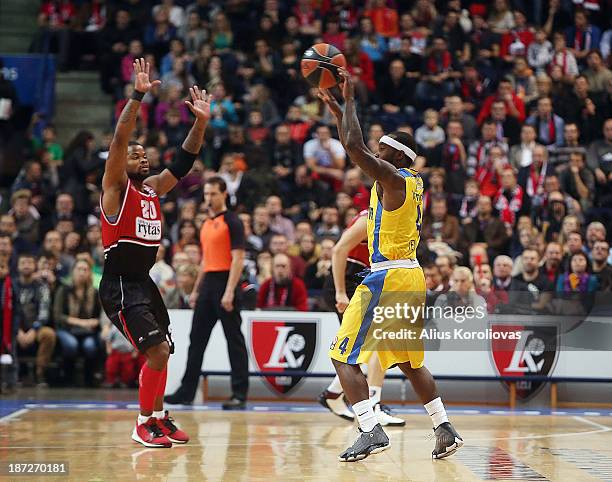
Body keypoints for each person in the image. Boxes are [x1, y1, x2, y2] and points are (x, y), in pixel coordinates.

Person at [318, 69, 462, 462]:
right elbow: (355, 144)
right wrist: (337, 113)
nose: (375, 152)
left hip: (388, 275)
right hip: (411, 274)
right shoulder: (412, 182)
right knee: (410, 362)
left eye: (382, 148)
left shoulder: (393, 178)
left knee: (341, 355)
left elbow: (352, 146)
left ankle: (369, 428)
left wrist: (348, 102)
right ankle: (444, 427)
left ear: (398, 155)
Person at [99, 59, 209, 447]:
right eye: (135, 155)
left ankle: (159, 418)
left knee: (165, 349)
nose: (142, 157)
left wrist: (200, 123)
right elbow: (120, 136)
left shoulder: (151, 189)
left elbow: (182, 162)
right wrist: (138, 95)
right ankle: (143, 422)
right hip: (120, 284)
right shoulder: (117, 189)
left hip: (142, 282)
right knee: (158, 351)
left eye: (144, 154)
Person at [165, 177, 249, 410]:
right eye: (206, 194)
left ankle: (239, 393)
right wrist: (197, 290)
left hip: (225, 282)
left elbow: (238, 258)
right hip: (209, 283)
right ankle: (187, 391)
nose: (209, 198)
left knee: (234, 340)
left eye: (213, 194)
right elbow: (205, 261)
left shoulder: (233, 222)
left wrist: (230, 291)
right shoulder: (206, 224)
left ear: (224, 194)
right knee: (196, 340)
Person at [319, 209, 406, 427]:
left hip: (362, 282)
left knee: (368, 346)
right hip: (345, 285)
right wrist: (340, 292)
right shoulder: (370, 217)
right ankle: (372, 404)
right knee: (377, 342)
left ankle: (333, 393)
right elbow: (339, 250)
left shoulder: (394, 220)